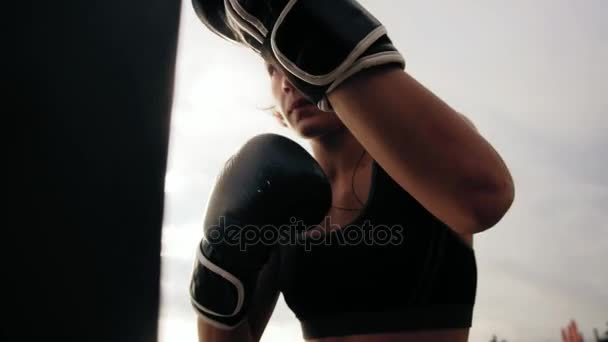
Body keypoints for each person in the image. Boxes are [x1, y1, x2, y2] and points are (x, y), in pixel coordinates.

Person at [189, 1, 515, 341]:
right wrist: (217, 263)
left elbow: (484, 197)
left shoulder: (421, 159)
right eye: (272, 69)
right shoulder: (278, 196)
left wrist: (305, 28)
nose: (286, 79)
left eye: (290, 58)